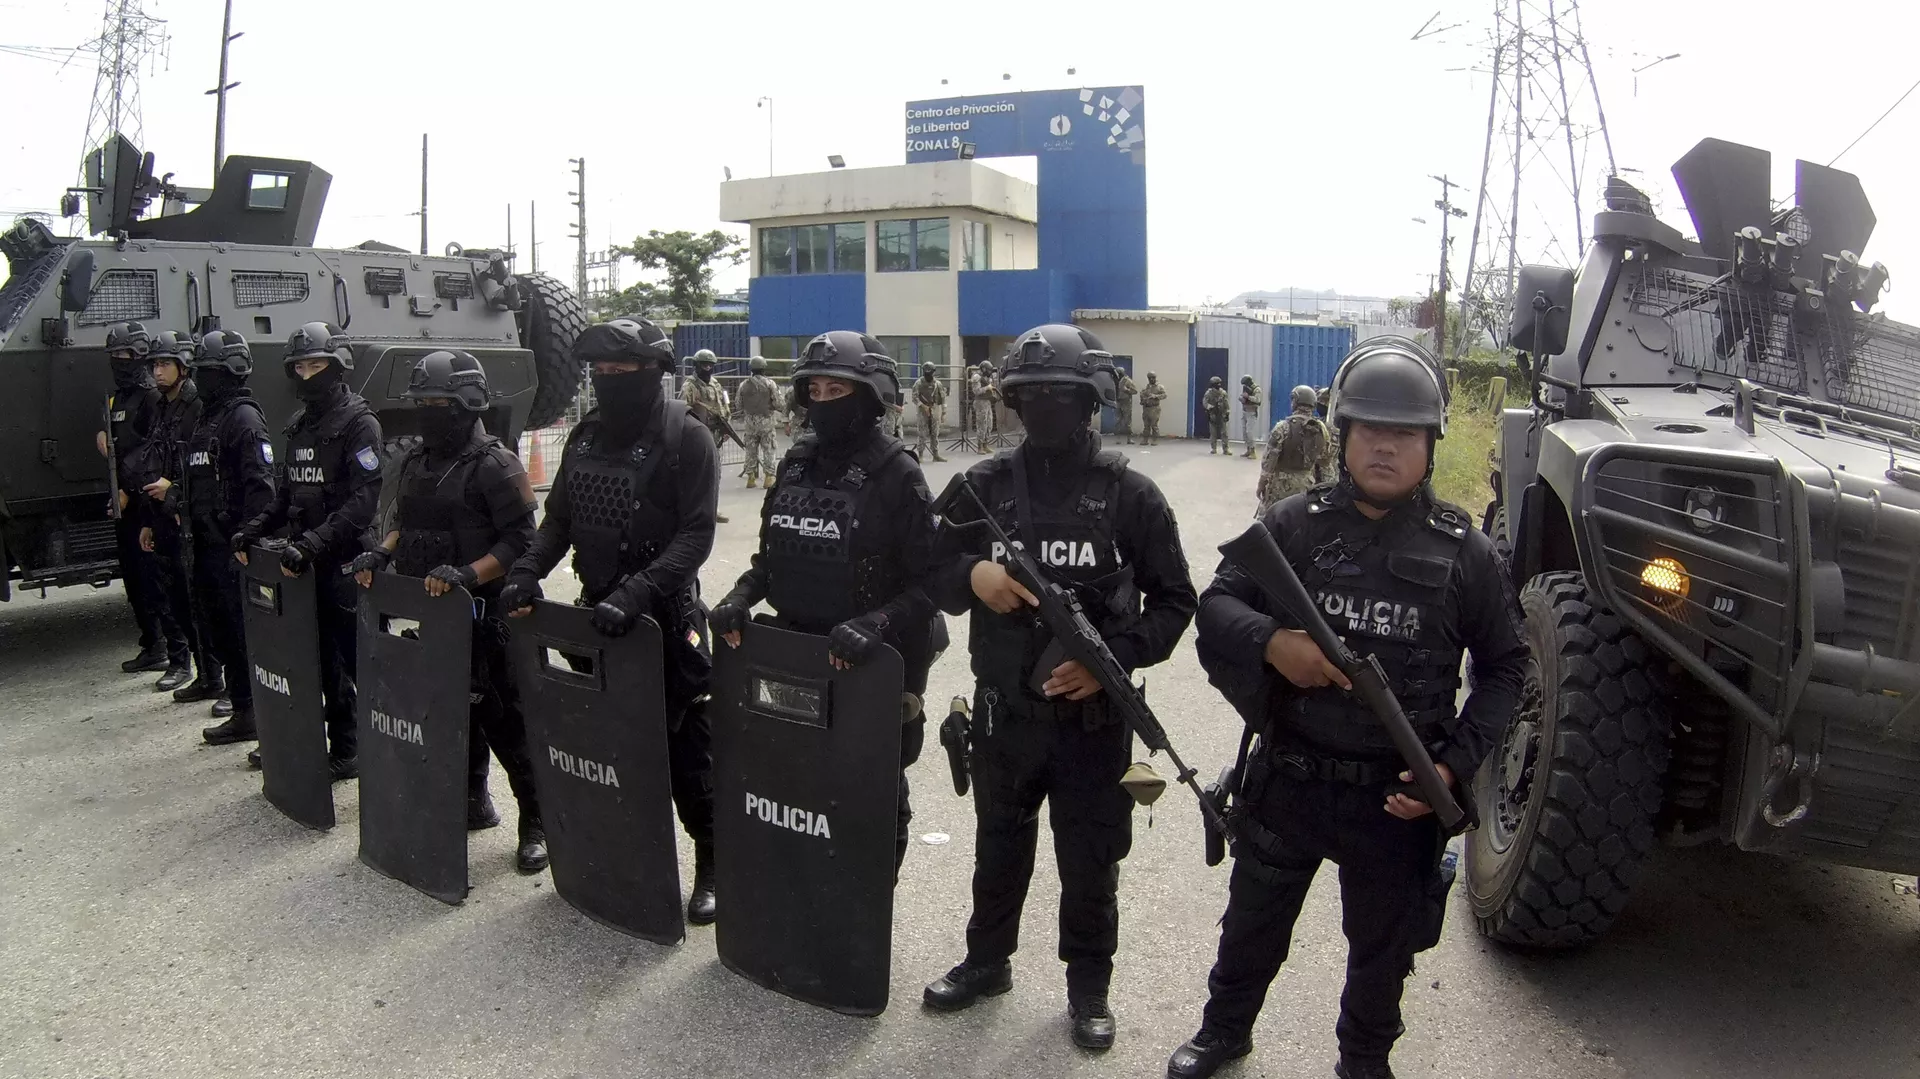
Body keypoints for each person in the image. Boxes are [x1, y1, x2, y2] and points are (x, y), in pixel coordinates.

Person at [1165, 338, 1528, 1079]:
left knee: (1382, 951)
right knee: (1252, 925)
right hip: (1291, 778)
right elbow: (1216, 604)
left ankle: (1364, 1061)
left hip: (1396, 799)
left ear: (1431, 445)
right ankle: (1224, 1031)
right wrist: (1274, 644)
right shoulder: (1295, 526)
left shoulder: (1468, 554)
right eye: (1369, 430)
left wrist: (1454, 766)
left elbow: (1508, 667)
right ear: (1344, 435)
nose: (1385, 447)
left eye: (1404, 434)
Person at [921, 324, 1197, 1052]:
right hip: (1004, 710)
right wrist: (972, 577)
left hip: (1092, 720)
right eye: (1030, 396)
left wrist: (1110, 657)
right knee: (998, 845)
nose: (1043, 407)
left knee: (1090, 855)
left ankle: (1088, 987)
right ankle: (987, 962)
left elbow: (1175, 602)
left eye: (1059, 395)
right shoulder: (983, 488)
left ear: (1090, 401)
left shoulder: (1130, 495)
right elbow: (926, 566)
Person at [499, 317, 720, 924]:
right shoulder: (587, 436)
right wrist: (526, 571)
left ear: (654, 372)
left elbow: (697, 534)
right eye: (600, 372)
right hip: (597, 620)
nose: (609, 381)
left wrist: (640, 592)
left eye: (622, 371)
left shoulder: (687, 436)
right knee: (604, 746)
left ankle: (713, 859)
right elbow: (559, 522)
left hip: (664, 621)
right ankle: (620, 855)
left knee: (685, 754)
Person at [710, 331, 937, 876]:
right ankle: (801, 899)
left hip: (870, 662)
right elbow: (772, 559)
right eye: (814, 388)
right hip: (795, 655)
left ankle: (866, 902)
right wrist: (741, 596)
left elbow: (935, 584)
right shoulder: (795, 465)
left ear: (870, 394)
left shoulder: (898, 473)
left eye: (839, 388)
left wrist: (876, 622)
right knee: (790, 783)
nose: (823, 399)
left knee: (872, 791)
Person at [348, 350, 548, 873]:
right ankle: (473, 803)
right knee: (455, 714)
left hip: (490, 613)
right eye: (422, 402)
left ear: (469, 403)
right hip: (436, 615)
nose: (429, 411)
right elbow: (404, 523)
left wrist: (469, 575)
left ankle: (537, 821)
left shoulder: (495, 464)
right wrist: (383, 552)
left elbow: (523, 543)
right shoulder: (416, 461)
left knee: (507, 720)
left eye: (439, 402)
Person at [231, 322, 383, 781]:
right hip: (305, 562)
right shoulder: (299, 427)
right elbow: (286, 496)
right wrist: (253, 530)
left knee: (359, 659)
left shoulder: (360, 423)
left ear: (337, 367)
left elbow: (364, 501)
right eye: (299, 366)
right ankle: (345, 747)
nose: (306, 373)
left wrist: (313, 544)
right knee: (320, 661)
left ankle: (385, 749)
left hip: (344, 560)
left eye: (315, 364)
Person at [184, 330, 276, 746]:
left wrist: (247, 540)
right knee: (218, 626)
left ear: (231, 373)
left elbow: (260, 486)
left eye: (211, 372)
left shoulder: (243, 418)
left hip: (232, 544)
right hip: (205, 542)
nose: (203, 380)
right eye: (200, 371)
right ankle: (242, 710)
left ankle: (259, 715)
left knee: (244, 635)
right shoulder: (208, 417)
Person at [132, 330, 208, 695]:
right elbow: (152, 457)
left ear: (182, 366)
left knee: (196, 598)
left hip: (185, 514)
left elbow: (203, 467)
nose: (157, 372)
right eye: (154, 364)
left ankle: (212, 675)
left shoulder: (197, 406)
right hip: (160, 513)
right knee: (171, 595)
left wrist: (174, 492)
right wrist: (148, 519)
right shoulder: (158, 406)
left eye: (164, 364)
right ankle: (182, 663)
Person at [101, 321, 177, 674]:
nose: (120, 361)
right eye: (115, 355)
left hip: (144, 500)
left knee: (152, 577)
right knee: (133, 577)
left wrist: (128, 490)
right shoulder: (119, 398)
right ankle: (151, 644)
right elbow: (121, 441)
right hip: (125, 500)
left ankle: (168, 649)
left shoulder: (150, 397)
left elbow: (151, 451)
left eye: (126, 354)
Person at [1254, 385, 1335, 517]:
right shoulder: (1321, 429)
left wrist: (1262, 483)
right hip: (1306, 484)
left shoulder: (1282, 427)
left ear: (1296, 402)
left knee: (1269, 519)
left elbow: (1269, 460)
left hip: (1280, 484)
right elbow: (1326, 462)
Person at [680, 349, 732, 523]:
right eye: (704, 365)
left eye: (710, 365)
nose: (707, 368)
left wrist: (726, 428)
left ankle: (712, 510)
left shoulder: (716, 384)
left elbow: (724, 406)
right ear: (696, 365)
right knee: (697, 474)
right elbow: (682, 410)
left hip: (716, 434)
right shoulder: (690, 386)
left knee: (715, 473)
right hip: (699, 434)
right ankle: (693, 511)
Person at [735, 356, 783, 488]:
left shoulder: (743, 385)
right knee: (769, 449)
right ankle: (768, 477)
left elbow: (738, 405)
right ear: (764, 368)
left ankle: (751, 478)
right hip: (766, 421)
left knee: (750, 449)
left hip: (750, 423)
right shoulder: (770, 384)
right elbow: (779, 403)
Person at [913, 365, 948, 463]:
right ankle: (920, 455)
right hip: (922, 410)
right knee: (922, 433)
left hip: (934, 408)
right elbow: (914, 397)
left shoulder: (937, 384)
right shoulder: (918, 383)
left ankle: (935, 454)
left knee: (935, 432)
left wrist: (944, 412)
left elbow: (943, 398)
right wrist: (923, 406)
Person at [970, 360, 998, 444]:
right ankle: (980, 446)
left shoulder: (987, 378)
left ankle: (986, 444)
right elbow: (976, 391)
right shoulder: (977, 377)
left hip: (987, 402)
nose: (989, 372)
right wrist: (987, 388)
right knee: (982, 424)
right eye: (988, 370)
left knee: (989, 424)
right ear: (984, 369)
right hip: (980, 402)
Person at [1237, 375, 1262, 459]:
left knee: (1249, 432)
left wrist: (1248, 397)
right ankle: (1248, 449)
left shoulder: (1256, 389)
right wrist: (1242, 398)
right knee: (1244, 433)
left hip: (1252, 413)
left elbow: (1258, 400)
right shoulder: (1246, 388)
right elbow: (1241, 396)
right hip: (1245, 412)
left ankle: (1253, 451)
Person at [1204, 376, 1230, 455]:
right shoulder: (1209, 393)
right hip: (1213, 414)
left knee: (1224, 433)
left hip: (1222, 414)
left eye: (1219, 383)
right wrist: (1210, 408)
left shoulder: (1223, 393)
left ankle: (1226, 449)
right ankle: (1213, 448)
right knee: (1213, 432)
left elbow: (1226, 403)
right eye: (1217, 383)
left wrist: (1227, 412)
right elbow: (1205, 402)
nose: (1219, 385)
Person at [1138, 371, 1166, 446]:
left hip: (1155, 408)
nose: (1151, 379)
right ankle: (1145, 439)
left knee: (1154, 425)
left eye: (1153, 378)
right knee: (1146, 425)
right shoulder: (1147, 387)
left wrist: (1155, 396)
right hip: (1146, 408)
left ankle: (1155, 439)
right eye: (1150, 378)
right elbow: (1142, 395)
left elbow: (1164, 395)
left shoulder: (1159, 387)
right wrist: (1143, 398)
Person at [1114, 370, 1138, 444]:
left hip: (1126, 403)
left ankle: (1129, 439)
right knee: (1118, 421)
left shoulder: (1128, 381)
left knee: (1127, 421)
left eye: (1118, 373)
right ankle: (1118, 438)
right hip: (1118, 402)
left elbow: (1135, 391)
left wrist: (1126, 390)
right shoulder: (1116, 380)